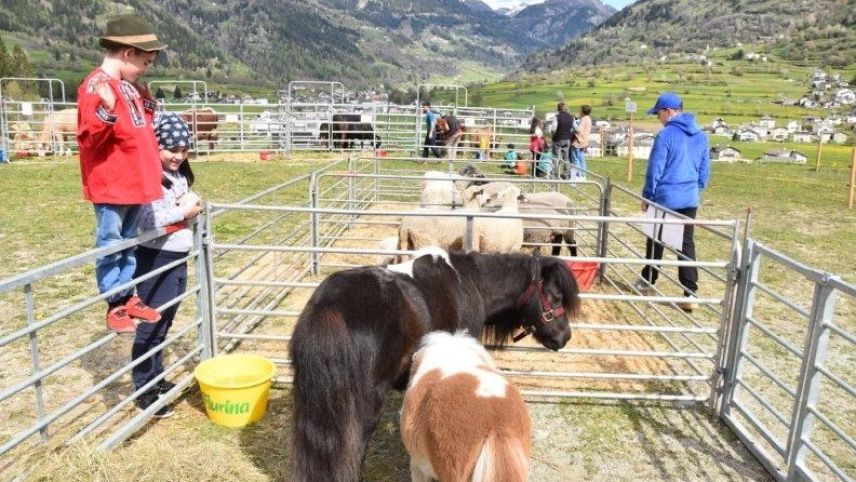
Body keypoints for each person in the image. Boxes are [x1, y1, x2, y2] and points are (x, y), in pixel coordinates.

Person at [76, 15, 167, 334]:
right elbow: (89, 140)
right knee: (111, 240)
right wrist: (106, 109)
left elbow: (137, 129)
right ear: (128, 53)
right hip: (113, 186)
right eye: (145, 61)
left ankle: (127, 294)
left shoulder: (128, 87)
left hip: (134, 184)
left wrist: (148, 104)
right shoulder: (96, 87)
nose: (145, 68)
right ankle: (115, 301)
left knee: (127, 242)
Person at [132, 112, 203, 417]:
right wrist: (185, 210)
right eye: (172, 149)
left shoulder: (176, 177)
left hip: (176, 257)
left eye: (184, 150)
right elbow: (150, 222)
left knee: (164, 322)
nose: (178, 156)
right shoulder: (150, 179)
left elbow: (175, 212)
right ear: (156, 146)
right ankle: (144, 389)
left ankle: (156, 378)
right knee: (151, 324)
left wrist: (188, 206)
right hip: (156, 257)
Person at [633, 92, 711, 312]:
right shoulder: (701, 136)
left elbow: (655, 170)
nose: (658, 117)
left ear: (669, 111)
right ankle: (690, 292)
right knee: (686, 244)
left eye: (658, 113)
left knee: (655, 238)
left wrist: (647, 196)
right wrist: (695, 189)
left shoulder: (665, 135)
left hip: (665, 197)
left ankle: (648, 281)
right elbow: (705, 170)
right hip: (689, 199)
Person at [551, 102, 574, 179]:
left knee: (555, 157)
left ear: (558, 109)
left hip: (558, 139)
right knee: (566, 157)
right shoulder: (571, 117)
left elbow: (554, 129)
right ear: (565, 108)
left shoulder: (556, 117)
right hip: (567, 139)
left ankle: (555, 174)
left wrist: (553, 136)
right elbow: (574, 128)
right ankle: (566, 175)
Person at [572, 105, 592, 180]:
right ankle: (583, 175)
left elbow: (579, 130)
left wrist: (574, 123)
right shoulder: (589, 119)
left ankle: (579, 175)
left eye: (580, 110)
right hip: (585, 140)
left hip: (579, 140)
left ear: (583, 111)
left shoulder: (583, 119)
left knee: (576, 158)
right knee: (581, 158)